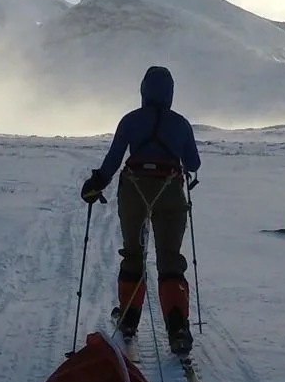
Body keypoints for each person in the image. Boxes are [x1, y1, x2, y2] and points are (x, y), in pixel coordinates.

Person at [80, 65, 200, 355]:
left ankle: (129, 319)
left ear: (144, 91)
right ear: (170, 93)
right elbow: (193, 163)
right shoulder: (181, 123)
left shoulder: (130, 120)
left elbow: (113, 161)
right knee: (169, 257)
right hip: (169, 192)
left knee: (134, 253)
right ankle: (177, 327)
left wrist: (96, 184)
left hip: (133, 191)